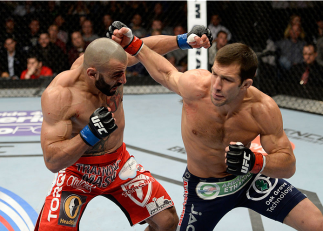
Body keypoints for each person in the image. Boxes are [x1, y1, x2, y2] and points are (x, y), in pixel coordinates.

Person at [111, 22, 323, 231]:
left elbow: (288, 165)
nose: (217, 86)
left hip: (248, 180)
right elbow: (165, 72)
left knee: (317, 224)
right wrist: (133, 43)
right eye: (215, 74)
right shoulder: (197, 87)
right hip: (204, 188)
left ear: (246, 84)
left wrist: (256, 161)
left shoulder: (263, 109)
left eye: (227, 80)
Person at [34, 24, 211, 230]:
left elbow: (143, 48)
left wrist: (183, 40)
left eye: (123, 72)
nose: (124, 79)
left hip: (118, 163)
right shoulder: (61, 95)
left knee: (167, 220)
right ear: (92, 74)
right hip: (78, 171)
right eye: (117, 75)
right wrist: (89, 134)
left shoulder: (111, 64)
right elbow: (52, 161)